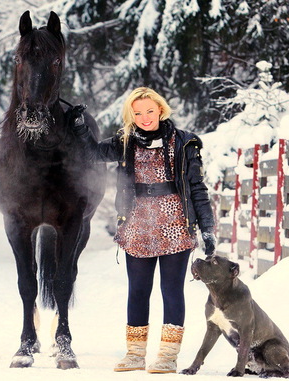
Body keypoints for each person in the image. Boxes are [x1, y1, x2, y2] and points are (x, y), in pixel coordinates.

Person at [69, 87, 216, 374]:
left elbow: (197, 188)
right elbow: (92, 154)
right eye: (137, 113)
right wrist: (80, 128)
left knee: (171, 289)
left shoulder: (184, 142)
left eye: (150, 111)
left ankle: (168, 356)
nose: (145, 117)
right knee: (138, 289)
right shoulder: (125, 141)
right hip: (138, 222)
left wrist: (207, 227)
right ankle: (135, 354)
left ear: (161, 110)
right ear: (130, 116)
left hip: (175, 222)